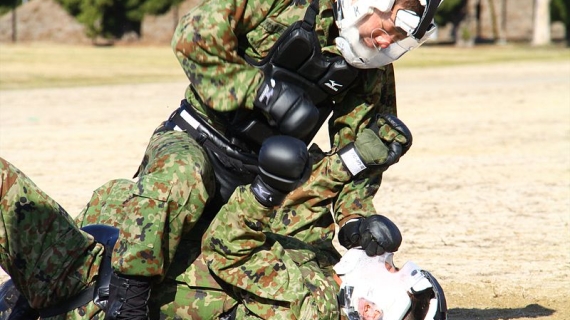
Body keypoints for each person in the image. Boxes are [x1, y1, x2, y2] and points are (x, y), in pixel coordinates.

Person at [2, 0, 445, 317]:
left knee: (300, 248)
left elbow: (361, 150)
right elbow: (192, 37)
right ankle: (126, 299)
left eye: (402, 38)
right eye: (392, 24)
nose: (387, 40)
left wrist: (354, 221)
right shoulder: (284, 5)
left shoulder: (369, 67)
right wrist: (259, 91)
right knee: (181, 183)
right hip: (198, 138)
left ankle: (56, 287)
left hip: (268, 175)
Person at [0, 157, 447, 319]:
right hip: (103, 258)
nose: (385, 257)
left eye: (391, 267)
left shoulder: (310, 306)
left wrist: (264, 190)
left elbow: (228, 245)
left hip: (83, 283)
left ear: (371, 309)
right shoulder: (319, 279)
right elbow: (305, 212)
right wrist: (352, 162)